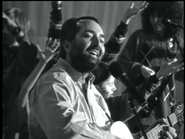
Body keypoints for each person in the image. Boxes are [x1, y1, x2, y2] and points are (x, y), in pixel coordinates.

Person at [28, 11, 178, 139]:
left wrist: (149, 133)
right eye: (88, 36)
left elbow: (118, 110)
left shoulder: (91, 89)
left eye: (101, 40)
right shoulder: (53, 83)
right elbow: (69, 130)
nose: (98, 44)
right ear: (67, 46)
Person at [117, 1, 184, 139]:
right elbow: (120, 65)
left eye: (160, 16)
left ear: (170, 16)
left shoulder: (178, 43)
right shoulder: (139, 37)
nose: (154, 20)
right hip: (139, 104)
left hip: (165, 107)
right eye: (152, 15)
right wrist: (139, 68)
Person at [2, 8, 39, 139]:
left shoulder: (27, 51)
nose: (4, 31)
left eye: (9, 27)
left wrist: (8, 21)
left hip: (15, 114)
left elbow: (24, 41)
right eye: (2, 26)